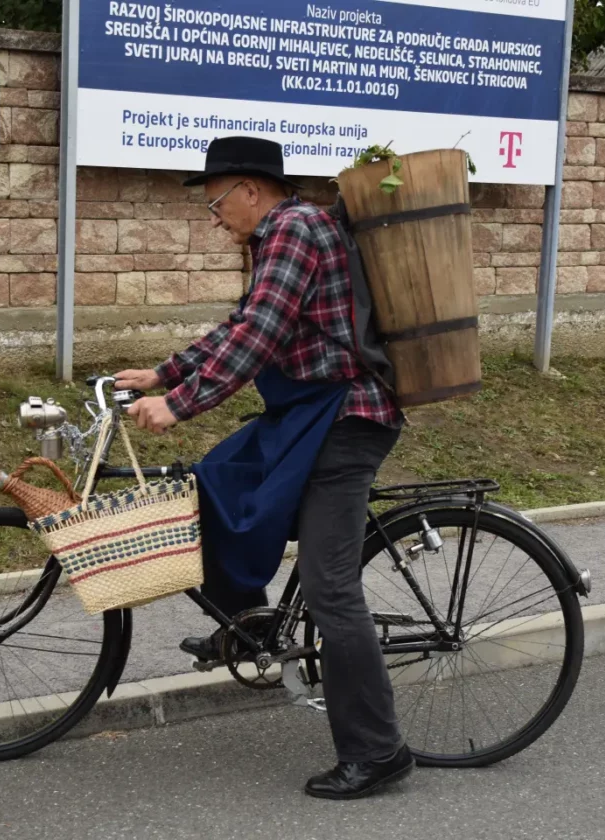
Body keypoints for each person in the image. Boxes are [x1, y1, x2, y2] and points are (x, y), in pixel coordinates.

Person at [115, 136, 413, 800]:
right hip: (311, 414)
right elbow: (242, 324)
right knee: (213, 485)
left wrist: (179, 404)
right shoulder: (281, 232)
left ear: (252, 190)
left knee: (333, 590)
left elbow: (259, 337)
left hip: (344, 421)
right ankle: (250, 628)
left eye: (218, 202)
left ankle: (378, 750)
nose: (214, 217)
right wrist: (165, 371)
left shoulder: (295, 229)